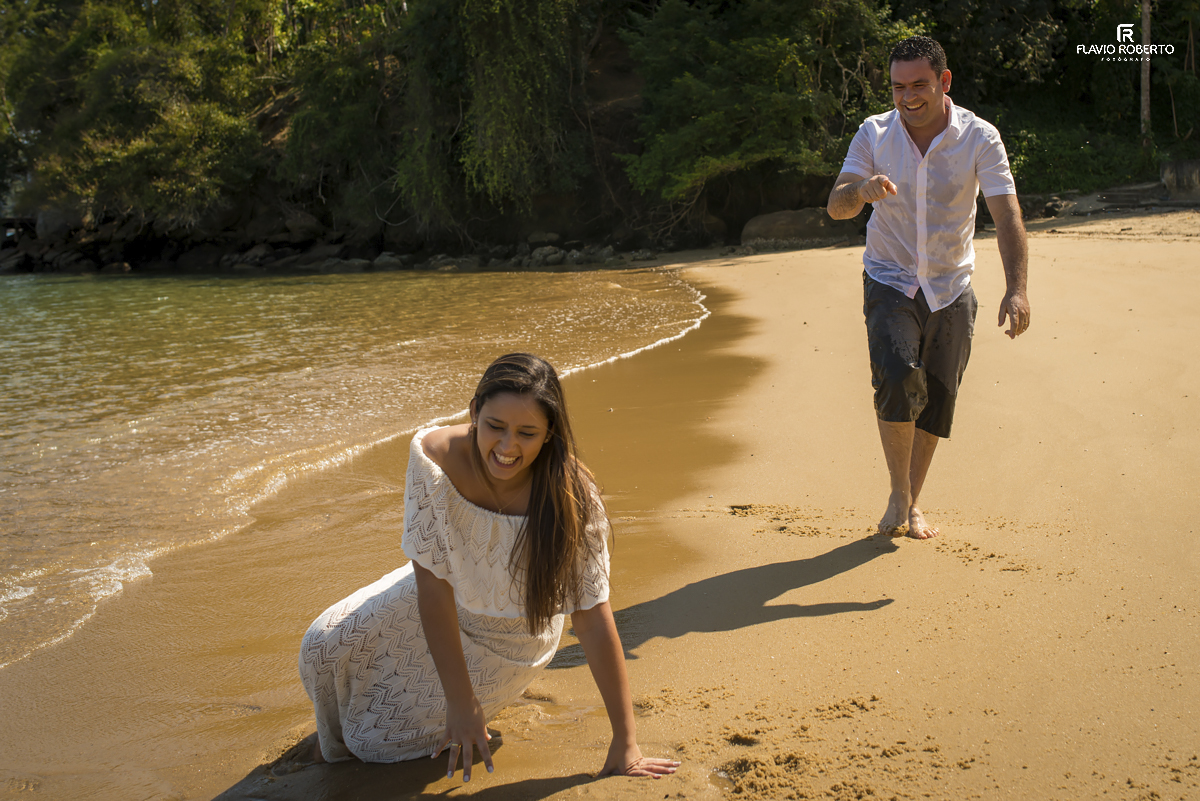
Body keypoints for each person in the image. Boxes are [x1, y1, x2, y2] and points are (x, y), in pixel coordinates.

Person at [298, 353, 679, 782]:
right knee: (322, 647)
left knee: (373, 742)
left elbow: (590, 618)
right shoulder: (433, 460)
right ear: (475, 410)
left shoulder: (571, 497)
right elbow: (433, 587)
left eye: (527, 433)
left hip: (512, 640)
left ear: (550, 433)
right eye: (495, 426)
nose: (507, 446)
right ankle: (331, 745)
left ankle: (353, 742)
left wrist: (625, 741)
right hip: (444, 597)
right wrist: (461, 702)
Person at [826, 35, 1031, 539]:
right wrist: (862, 192)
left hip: (952, 283)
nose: (907, 96)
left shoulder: (980, 138)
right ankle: (900, 492)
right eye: (898, 86)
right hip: (889, 278)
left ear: (944, 82)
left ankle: (913, 500)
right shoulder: (874, 133)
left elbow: (1006, 214)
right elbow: (836, 204)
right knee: (897, 379)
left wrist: (1017, 289)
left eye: (919, 84)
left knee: (938, 396)